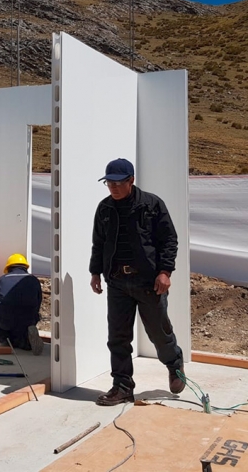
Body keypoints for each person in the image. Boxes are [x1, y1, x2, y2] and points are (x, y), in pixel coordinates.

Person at [90, 158, 184, 406]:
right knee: (118, 337)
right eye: (109, 182)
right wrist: (95, 273)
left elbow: (169, 240)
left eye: (118, 182)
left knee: (158, 333)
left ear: (131, 180)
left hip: (148, 282)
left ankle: (175, 365)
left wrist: (165, 272)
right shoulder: (104, 209)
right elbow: (98, 244)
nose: (113, 187)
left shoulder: (151, 205)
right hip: (117, 282)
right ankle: (122, 387)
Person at [0, 253, 44, 355]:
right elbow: (38, 301)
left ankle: (5, 340)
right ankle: (26, 341)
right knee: (26, 320)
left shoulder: (3, 279)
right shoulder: (34, 280)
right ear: (25, 267)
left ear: (8, 267)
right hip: (28, 320)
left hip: (7, 321)